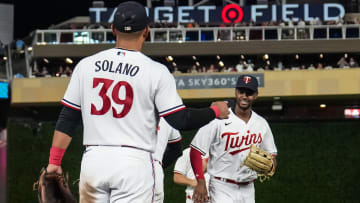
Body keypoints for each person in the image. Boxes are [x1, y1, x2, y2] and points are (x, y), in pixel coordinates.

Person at [44, 1, 229, 203]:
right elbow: (180, 120)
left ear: (113, 29)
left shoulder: (86, 65)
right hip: (134, 164)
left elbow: (68, 117)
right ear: (146, 31)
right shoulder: (155, 71)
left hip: (94, 161)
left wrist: (54, 162)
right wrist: (215, 110)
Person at [190, 75, 278, 203]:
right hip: (221, 186)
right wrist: (201, 181)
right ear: (236, 92)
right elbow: (195, 150)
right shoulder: (218, 119)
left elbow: (272, 156)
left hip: (248, 187)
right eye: (241, 92)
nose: (244, 96)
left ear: (256, 95)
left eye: (249, 93)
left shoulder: (261, 123)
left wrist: (270, 165)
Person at [153, 118, 183, 203]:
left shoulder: (129, 114)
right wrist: (158, 166)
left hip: (125, 164)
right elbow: (176, 150)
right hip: (154, 169)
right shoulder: (167, 117)